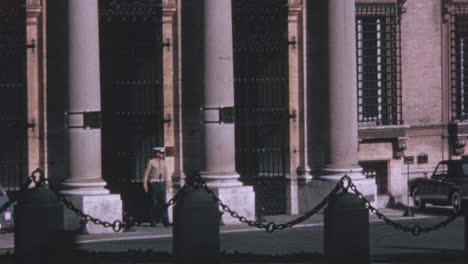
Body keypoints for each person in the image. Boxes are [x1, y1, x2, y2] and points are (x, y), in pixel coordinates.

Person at [143, 147, 171, 227]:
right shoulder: (151, 162)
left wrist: (167, 184)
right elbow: (146, 173)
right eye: (161, 153)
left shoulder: (164, 162)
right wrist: (145, 184)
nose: (163, 155)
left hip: (161, 183)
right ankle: (153, 221)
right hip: (154, 183)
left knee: (164, 203)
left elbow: (166, 174)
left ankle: (165, 221)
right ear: (157, 154)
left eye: (163, 153)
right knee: (153, 203)